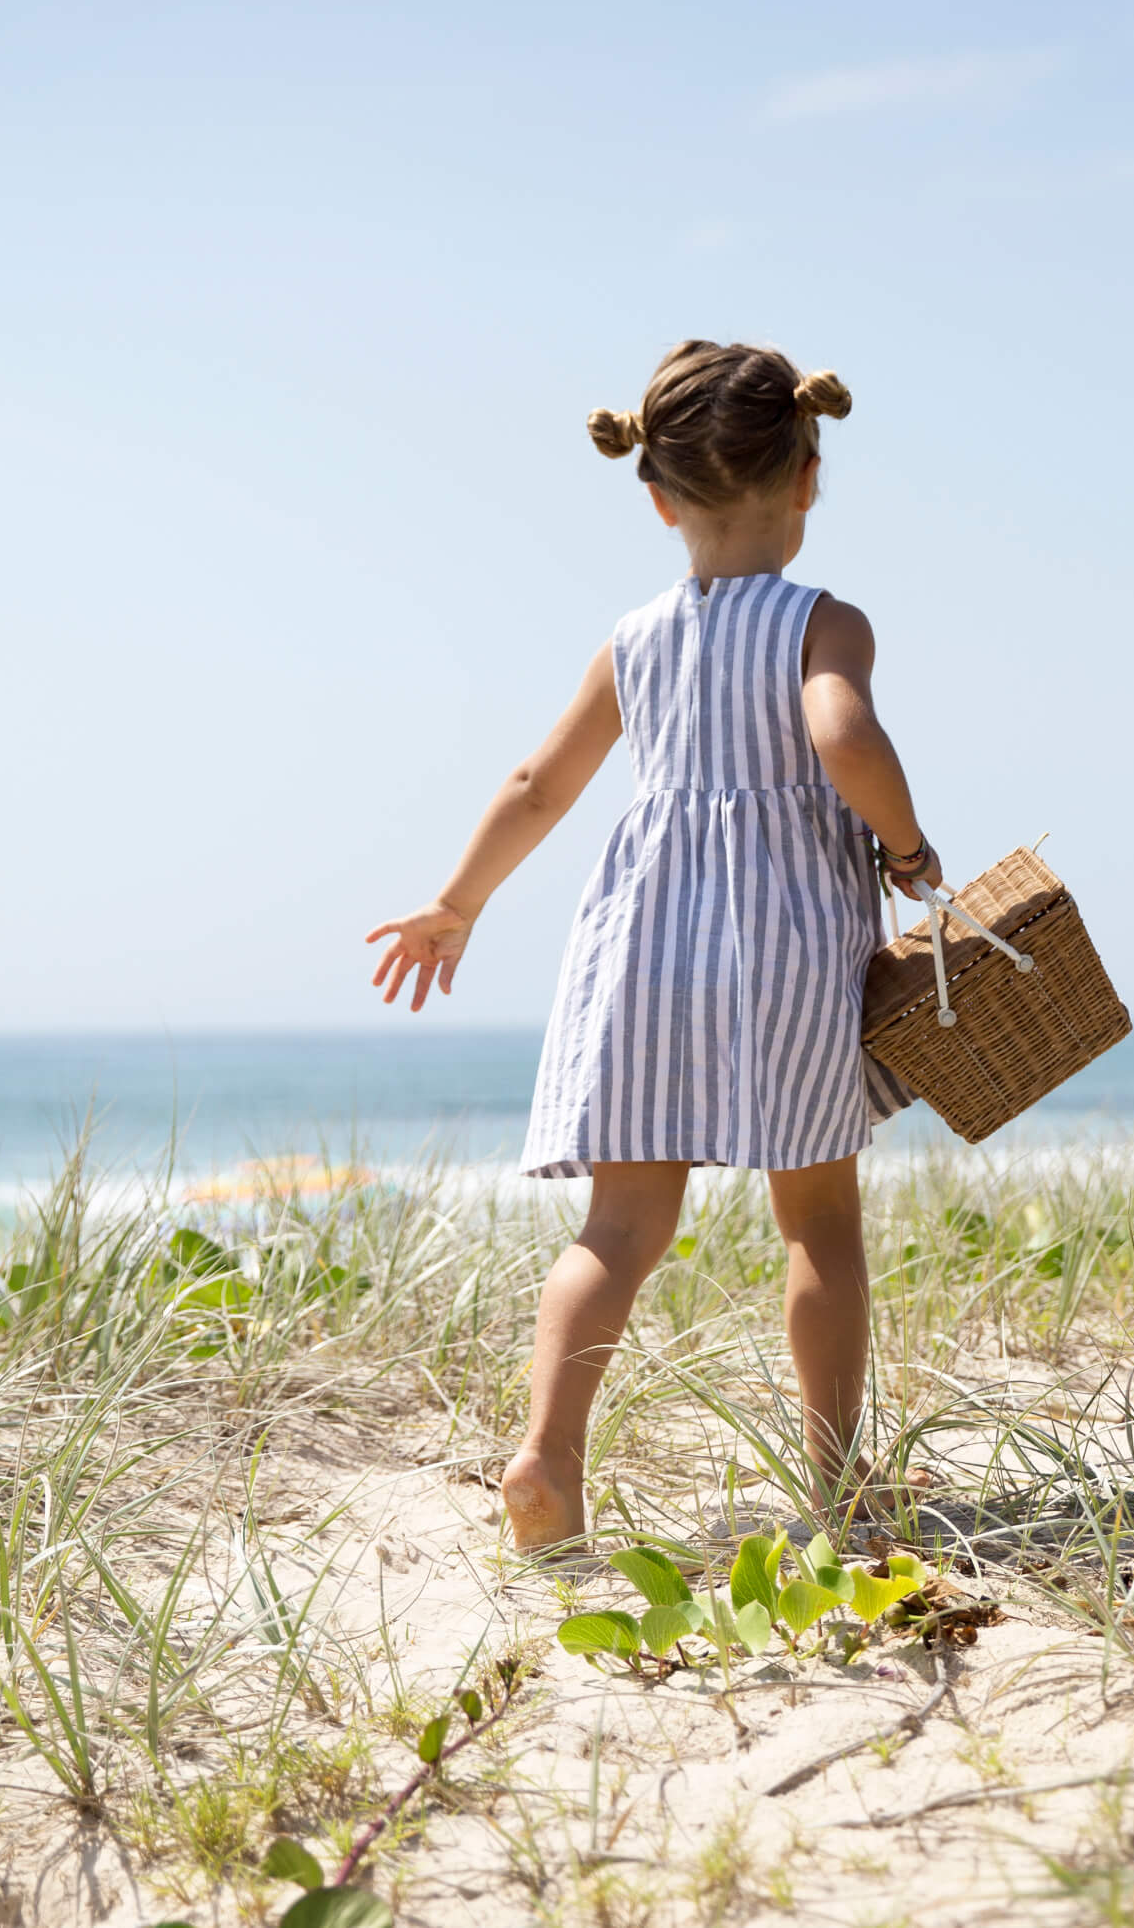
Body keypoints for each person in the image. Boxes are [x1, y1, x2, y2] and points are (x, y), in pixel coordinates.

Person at [367, 339, 939, 1552]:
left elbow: (538, 783)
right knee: (817, 1223)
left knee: (618, 1230)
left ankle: (549, 1455)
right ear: (808, 476)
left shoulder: (633, 641)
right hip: (782, 946)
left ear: (659, 495)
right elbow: (840, 737)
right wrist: (903, 847)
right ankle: (836, 1486)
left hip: (641, 945)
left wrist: (455, 902)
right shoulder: (820, 622)